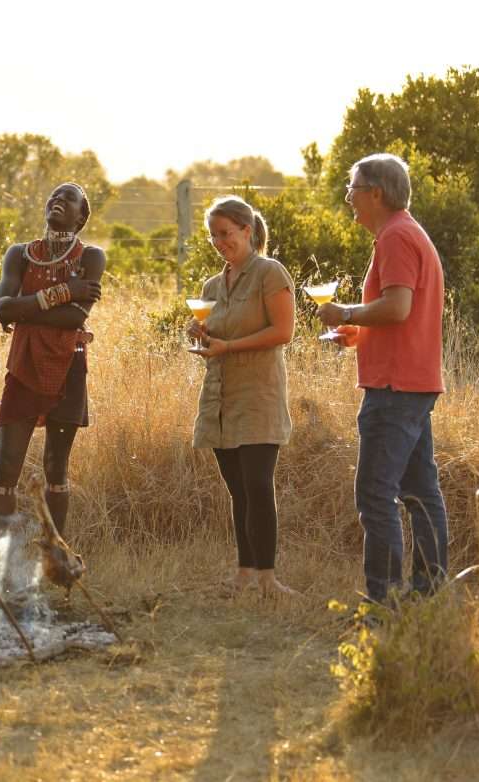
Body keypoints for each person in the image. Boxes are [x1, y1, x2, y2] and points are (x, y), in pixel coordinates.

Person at [317, 152, 448, 604]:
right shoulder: (407, 232)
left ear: (375, 192)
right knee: (419, 493)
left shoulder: (395, 237)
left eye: (352, 188)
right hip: (414, 381)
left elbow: (397, 308)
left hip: (394, 388)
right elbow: (398, 314)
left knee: (375, 495)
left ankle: (384, 603)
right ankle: (427, 597)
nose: (348, 197)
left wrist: (347, 311)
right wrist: (358, 331)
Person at [187, 196, 297, 598]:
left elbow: (283, 333)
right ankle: (245, 573)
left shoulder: (270, 272)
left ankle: (268, 578)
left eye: (226, 233)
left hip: (259, 395)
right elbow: (215, 331)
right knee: (237, 489)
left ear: (247, 231)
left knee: (257, 484)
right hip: (220, 397)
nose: (219, 242)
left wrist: (227, 348)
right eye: (213, 235)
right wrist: (199, 335)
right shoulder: (213, 285)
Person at [0, 182, 106, 540]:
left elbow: (74, 319)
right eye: (53, 195)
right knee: (6, 467)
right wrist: (65, 292)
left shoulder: (91, 257)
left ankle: (52, 557)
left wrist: (26, 310)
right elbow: (1, 309)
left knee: (56, 467)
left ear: (82, 216)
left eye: (68, 198)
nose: (57, 199)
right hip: (24, 364)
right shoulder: (20, 255)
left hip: (68, 367)